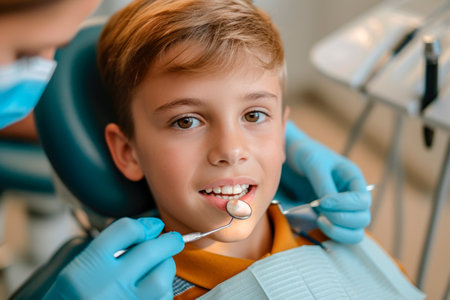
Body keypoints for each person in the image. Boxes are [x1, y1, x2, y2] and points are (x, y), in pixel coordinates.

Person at [0, 0, 370, 298]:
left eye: (254, 114)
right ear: (127, 153)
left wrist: (279, 140)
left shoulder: (326, 233)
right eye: (185, 121)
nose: (231, 150)